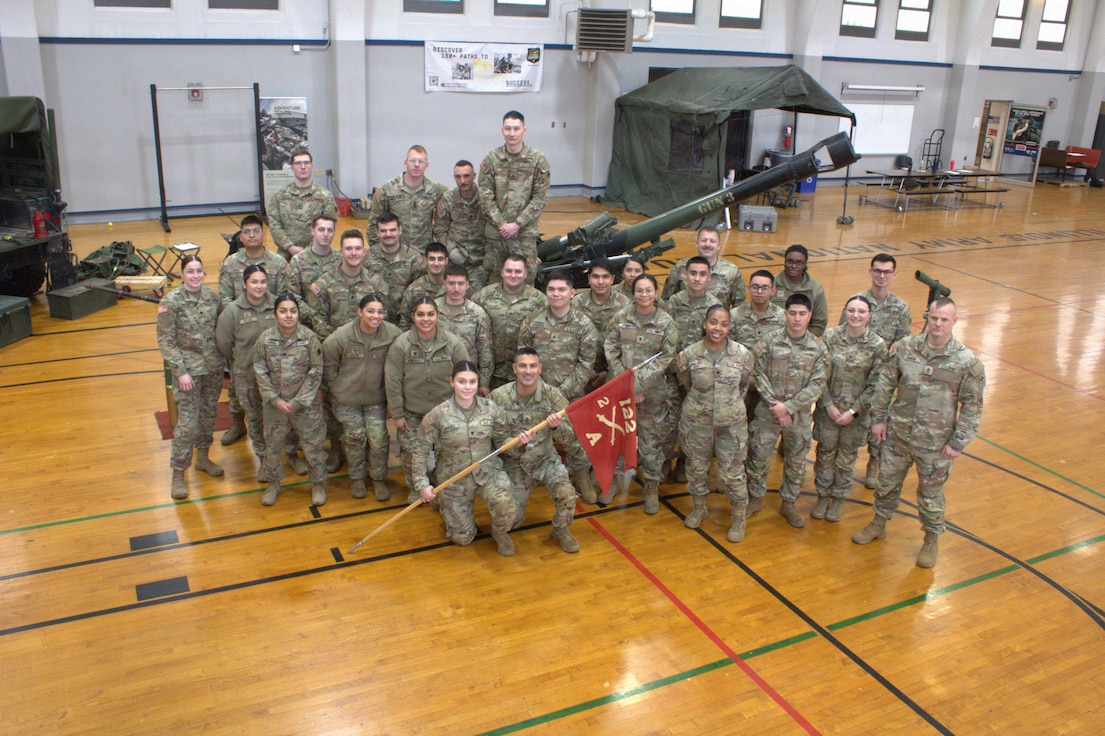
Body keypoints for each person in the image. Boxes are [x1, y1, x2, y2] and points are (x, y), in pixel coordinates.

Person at [851, 297, 985, 568]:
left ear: (954, 322)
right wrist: (878, 419)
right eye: (934, 318)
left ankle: (931, 539)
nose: (938, 324)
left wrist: (958, 443)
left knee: (930, 492)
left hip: (936, 444)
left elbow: (972, 406)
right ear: (927, 317)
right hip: (898, 434)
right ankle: (879, 523)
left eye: (944, 319)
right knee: (886, 483)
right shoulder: (904, 348)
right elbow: (886, 384)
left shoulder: (967, 362)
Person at [413, 361, 522, 557]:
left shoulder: (491, 409)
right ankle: (443, 503)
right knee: (463, 538)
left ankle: (500, 533)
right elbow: (420, 450)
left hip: (487, 473)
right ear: (452, 382)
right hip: (453, 479)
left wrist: (517, 441)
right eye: (461, 381)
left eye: (472, 382)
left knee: (507, 509)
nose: (467, 387)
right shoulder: (438, 415)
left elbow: (502, 439)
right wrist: (422, 484)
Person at [744, 293, 828, 528]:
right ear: (785, 314)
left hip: (799, 417)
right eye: (792, 313)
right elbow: (757, 374)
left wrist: (788, 407)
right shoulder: (768, 342)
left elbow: (817, 384)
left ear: (809, 316)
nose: (797, 319)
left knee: (796, 462)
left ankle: (788, 503)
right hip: (767, 414)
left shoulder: (818, 348)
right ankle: (754, 499)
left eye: (802, 314)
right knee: (758, 458)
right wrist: (776, 406)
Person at [674, 305, 755, 541]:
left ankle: (738, 518)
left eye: (723, 324)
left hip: (731, 425)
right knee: (697, 468)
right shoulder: (688, 355)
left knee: (732, 473)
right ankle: (699, 507)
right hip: (697, 422)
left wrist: (726, 405)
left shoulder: (743, 354)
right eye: (713, 322)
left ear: (729, 327)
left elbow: (745, 384)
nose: (717, 328)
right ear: (704, 324)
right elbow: (685, 381)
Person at [490, 348, 582, 553]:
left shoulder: (553, 397)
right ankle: (499, 533)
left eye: (533, 366)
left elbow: (570, 437)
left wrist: (556, 427)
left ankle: (560, 529)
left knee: (567, 494)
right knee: (511, 519)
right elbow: (493, 438)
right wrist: (515, 444)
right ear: (514, 368)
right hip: (515, 464)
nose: (528, 371)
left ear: (540, 368)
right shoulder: (499, 397)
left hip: (545, 460)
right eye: (522, 366)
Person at [605, 273, 678, 514]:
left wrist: (638, 386)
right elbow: (610, 348)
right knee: (616, 437)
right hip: (620, 390)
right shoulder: (620, 317)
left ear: (656, 292)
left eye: (648, 290)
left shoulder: (666, 322)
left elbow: (666, 358)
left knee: (650, 442)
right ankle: (614, 481)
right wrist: (625, 384)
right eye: (639, 291)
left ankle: (650, 486)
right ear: (633, 293)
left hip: (651, 394)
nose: (644, 295)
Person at [838, 253, 913, 489]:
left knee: (879, 421)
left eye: (887, 272)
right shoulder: (857, 302)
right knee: (851, 416)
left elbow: (902, 345)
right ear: (870, 272)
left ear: (894, 275)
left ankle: (874, 462)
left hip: (884, 376)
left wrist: (893, 375)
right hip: (856, 372)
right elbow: (843, 332)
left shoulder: (901, 308)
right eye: (878, 271)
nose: (882, 276)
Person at [385, 297, 471, 500]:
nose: (426, 319)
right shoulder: (401, 345)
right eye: (420, 314)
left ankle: (441, 484)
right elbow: (393, 381)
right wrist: (397, 414)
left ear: (437, 316)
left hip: (446, 413)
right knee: (411, 454)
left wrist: (463, 408)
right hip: (412, 413)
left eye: (430, 314)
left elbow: (466, 377)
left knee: (448, 452)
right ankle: (416, 487)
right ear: (413, 317)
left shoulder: (452, 343)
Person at [811, 295, 888, 523]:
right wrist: (828, 405)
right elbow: (819, 373)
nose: (856, 315)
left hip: (856, 416)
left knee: (846, 458)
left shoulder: (877, 345)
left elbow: (876, 384)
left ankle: (839, 499)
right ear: (845, 311)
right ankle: (823, 496)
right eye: (851, 310)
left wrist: (853, 411)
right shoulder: (830, 337)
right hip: (829, 411)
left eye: (861, 311)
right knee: (824, 455)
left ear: (869, 315)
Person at [157, 255, 225, 500]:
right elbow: (166, 340)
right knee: (187, 424)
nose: (195, 276)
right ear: (182, 274)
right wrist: (180, 371)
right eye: (190, 271)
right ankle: (178, 474)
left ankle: (203, 458)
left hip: (213, 368)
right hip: (188, 371)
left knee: (209, 415)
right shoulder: (171, 302)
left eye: (199, 271)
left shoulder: (212, 297)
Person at [323, 293, 402, 501]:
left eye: (380, 312)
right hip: (347, 399)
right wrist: (337, 389)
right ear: (359, 312)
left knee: (378, 439)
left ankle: (378, 479)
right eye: (370, 311)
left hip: (376, 399)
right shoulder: (342, 336)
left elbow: (401, 363)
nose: (375, 316)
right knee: (355, 438)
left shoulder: (392, 334)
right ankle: (357, 478)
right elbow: (328, 363)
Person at [216, 214, 288, 445]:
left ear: (263, 234)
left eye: (256, 231)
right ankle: (238, 424)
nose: (251, 235)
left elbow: (285, 299)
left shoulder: (278, 263)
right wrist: (241, 316)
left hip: (271, 333)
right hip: (241, 335)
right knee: (238, 388)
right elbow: (224, 297)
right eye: (246, 232)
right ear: (240, 236)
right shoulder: (230, 264)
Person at [252, 295, 328, 507]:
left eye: (293, 311)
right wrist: (274, 400)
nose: (288, 315)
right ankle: (274, 483)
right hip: (275, 407)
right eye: (283, 311)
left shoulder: (310, 339)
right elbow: (259, 370)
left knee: (312, 445)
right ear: (275, 314)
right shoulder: (265, 339)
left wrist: (298, 401)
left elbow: (316, 371)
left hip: (305, 406)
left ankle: (318, 484)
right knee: (273, 445)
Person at [665, 256, 722, 481]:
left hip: (700, 376)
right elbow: (665, 338)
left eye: (702, 274)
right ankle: (665, 459)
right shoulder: (673, 302)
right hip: (672, 373)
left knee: (696, 423)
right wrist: (675, 371)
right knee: (670, 419)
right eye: (693, 274)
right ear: (685, 275)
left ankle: (685, 461)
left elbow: (717, 344)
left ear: (709, 277)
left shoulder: (714, 307)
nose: (697, 278)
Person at [215, 264, 277, 465]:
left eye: (263, 282)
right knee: (256, 419)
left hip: (277, 375)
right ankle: (263, 461)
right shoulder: (233, 311)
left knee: (278, 418)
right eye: (254, 282)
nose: (259, 286)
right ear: (244, 284)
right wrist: (241, 361)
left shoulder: (277, 305)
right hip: (247, 376)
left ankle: (288, 456)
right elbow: (224, 344)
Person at [478, 111, 550, 282]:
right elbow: (485, 195)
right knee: (494, 279)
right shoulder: (492, 159)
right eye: (508, 128)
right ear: (502, 130)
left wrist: (517, 224)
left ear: (524, 130)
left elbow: (540, 197)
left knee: (526, 279)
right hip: (497, 234)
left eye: (516, 129)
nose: (512, 133)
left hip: (524, 234)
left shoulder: (537, 160)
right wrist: (502, 224)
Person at [517, 271, 598, 401]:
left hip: (570, 397)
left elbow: (585, 365)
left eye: (561, 289)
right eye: (551, 289)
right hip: (535, 393)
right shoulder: (533, 320)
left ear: (572, 293)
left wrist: (560, 393)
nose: (556, 294)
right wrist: (538, 388)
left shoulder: (584, 325)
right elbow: (523, 355)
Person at [473, 254, 547, 389]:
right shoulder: (484, 296)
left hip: (524, 375)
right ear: (502, 272)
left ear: (525, 274)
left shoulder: (539, 300)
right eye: (509, 271)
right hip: (491, 374)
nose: (513, 275)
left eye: (518, 271)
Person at [310, 229, 389, 341]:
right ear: (341, 252)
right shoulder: (324, 283)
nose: (354, 253)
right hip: (335, 345)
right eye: (348, 249)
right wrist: (336, 343)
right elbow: (318, 319)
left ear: (364, 252)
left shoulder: (377, 284)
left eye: (358, 248)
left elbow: (384, 317)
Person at [368, 145, 447, 251]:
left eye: (421, 161)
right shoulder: (387, 190)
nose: (416, 165)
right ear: (405, 163)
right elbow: (374, 223)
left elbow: (445, 220)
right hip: (396, 253)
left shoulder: (437, 190)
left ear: (426, 166)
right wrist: (379, 253)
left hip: (423, 253)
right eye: (412, 160)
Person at [267, 147, 338, 262]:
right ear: (292, 168)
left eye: (306, 163)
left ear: (312, 166)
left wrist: (308, 250)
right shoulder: (279, 196)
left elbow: (329, 227)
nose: (303, 167)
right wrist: (290, 247)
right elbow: (274, 224)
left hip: (316, 251)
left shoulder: (325, 197)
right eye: (298, 163)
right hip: (285, 251)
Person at [436, 264, 494, 395]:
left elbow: (485, 350)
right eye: (451, 283)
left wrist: (484, 383)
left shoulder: (477, 313)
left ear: (467, 284)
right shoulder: (433, 310)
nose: (456, 288)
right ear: (444, 283)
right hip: (438, 376)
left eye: (460, 283)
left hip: (467, 377)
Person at [571, 257, 630, 389]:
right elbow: (571, 340)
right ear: (589, 278)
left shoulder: (624, 304)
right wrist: (587, 371)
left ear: (613, 279)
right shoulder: (577, 302)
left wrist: (608, 373)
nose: (600, 282)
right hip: (581, 370)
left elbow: (627, 344)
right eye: (596, 277)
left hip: (613, 372)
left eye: (605, 277)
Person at [434, 159, 490, 292]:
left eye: (466, 176)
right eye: (458, 177)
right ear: (454, 178)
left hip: (482, 261)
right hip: (456, 260)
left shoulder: (486, 198)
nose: (463, 181)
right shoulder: (447, 199)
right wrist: (452, 251)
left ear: (474, 176)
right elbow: (440, 228)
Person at [363, 213, 428, 324]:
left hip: (404, 322)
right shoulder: (366, 258)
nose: (388, 234)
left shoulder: (414, 259)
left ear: (400, 230)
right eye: (383, 231)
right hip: (374, 321)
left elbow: (419, 295)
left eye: (392, 230)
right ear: (377, 232)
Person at [661, 226, 747, 308]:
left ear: (719, 245)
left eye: (712, 241)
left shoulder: (731, 271)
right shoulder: (681, 267)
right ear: (696, 243)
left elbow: (739, 306)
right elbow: (666, 300)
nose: (707, 244)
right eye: (704, 240)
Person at [284, 214, 341, 331]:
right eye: (321, 229)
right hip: (307, 325)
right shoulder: (298, 261)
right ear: (312, 231)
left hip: (336, 323)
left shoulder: (341, 260)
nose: (325, 234)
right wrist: (315, 318)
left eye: (330, 230)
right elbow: (293, 296)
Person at [771, 245, 828, 337]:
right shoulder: (770, 283)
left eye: (799, 263)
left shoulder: (816, 288)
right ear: (784, 262)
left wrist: (802, 341)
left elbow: (819, 323)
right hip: (771, 339)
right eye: (790, 261)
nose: (793, 266)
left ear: (805, 265)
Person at [730, 269, 786, 351]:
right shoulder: (735, 315)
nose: (759, 291)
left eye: (765, 288)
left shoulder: (783, 317)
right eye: (755, 287)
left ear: (773, 291)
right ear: (749, 289)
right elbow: (729, 346)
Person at [398, 242, 448, 330]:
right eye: (432, 259)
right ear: (425, 260)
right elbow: (405, 321)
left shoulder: (454, 287)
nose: (436, 263)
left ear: (446, 261)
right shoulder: (413, 289)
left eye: (440, 259)